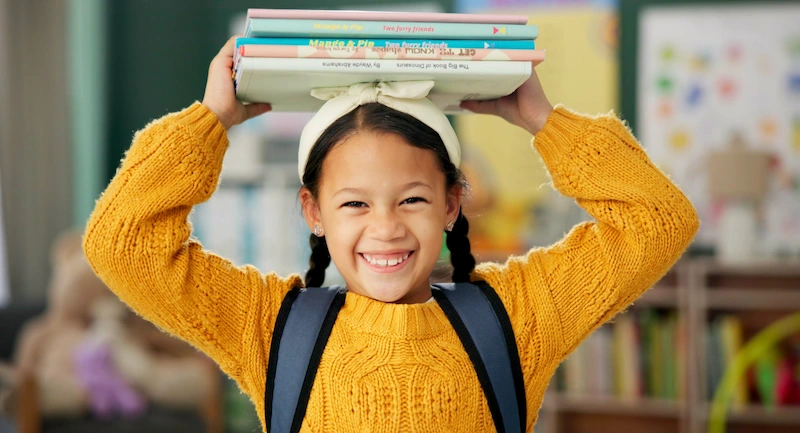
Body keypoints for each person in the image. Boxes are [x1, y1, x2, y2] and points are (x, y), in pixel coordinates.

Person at [83, 36, 699, 432]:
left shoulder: (518, 319)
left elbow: (657, 221)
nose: (385, 228)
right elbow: (120, 241)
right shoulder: (267, 327)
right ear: (313, 212)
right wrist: (210, 120)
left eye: (412, 199)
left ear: (453, 204)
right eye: (353, 202)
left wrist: (543, 120)